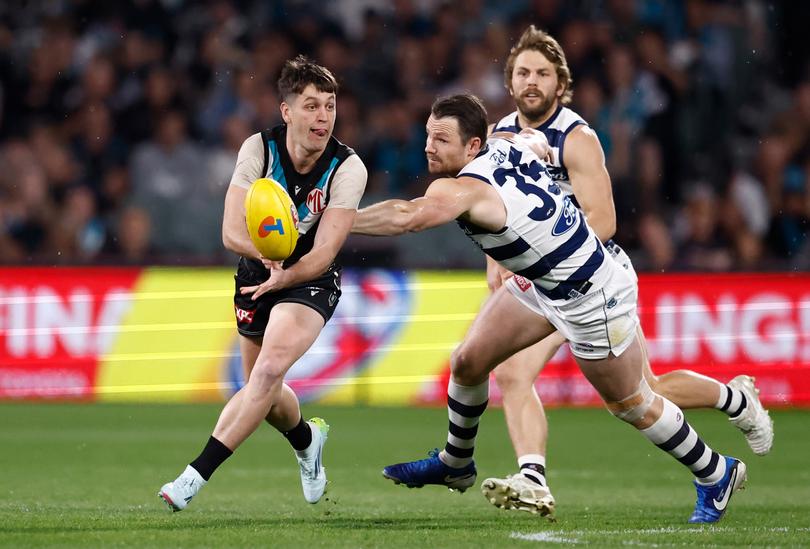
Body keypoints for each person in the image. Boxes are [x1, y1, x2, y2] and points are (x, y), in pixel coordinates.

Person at [352, 93, 746, 524]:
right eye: (428, 136)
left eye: (441, 139)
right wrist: (532, 146)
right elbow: (534, 140)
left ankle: (715, 471)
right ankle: (456, 462)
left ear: (472, 148)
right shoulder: (505, 145)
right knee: (468, 361)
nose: (429, 146)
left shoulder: (462, 187)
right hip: (547, 282)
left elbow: (407, 216)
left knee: (632, 403)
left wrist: (339, 220)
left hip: (590, 295)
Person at [479, 26, 773, 516]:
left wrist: (540, 259)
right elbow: (492, 203)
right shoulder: (499, 136)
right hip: (545, 283)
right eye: (523, 72)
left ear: (560, 83)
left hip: (586, 281)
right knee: (618, 388)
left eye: (543, 74)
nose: (532, 81)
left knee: (628, 398)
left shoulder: (576, 137)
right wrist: (496, 258)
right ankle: (732, 402)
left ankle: (724, 430)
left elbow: (605, 221)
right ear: (510, 82)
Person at [158, 56, 367, 511]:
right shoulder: (258, 148)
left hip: (309, 278)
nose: (323, 116)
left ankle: (193, 477)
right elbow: (231, 232)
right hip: (257, 272)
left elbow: (325, 251)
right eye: (311, 106)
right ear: (286, 111)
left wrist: (286, 275)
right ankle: (307, 440)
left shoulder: (348, 168)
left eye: (330, 106)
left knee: (269, 372)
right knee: (263, 391)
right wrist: (265, 258)